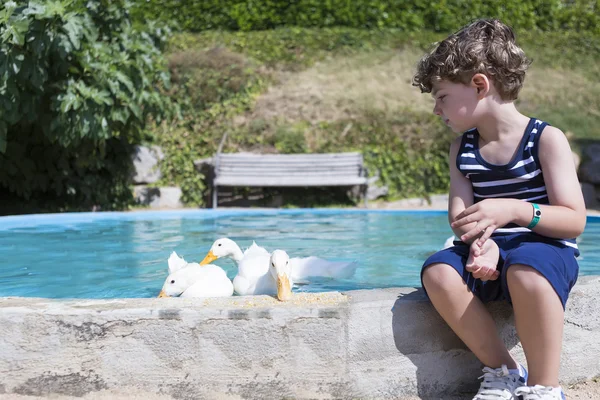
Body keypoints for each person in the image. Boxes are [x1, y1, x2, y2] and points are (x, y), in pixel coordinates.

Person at [412, 19, 586, 400]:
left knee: (527, 271)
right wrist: (480, 244)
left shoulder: (545, 139)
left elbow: (574, 220)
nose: (436, 109)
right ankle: (505, 371)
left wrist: (515, 210)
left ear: (479, 85)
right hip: (488, 249)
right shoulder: (463, 148)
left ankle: (544, 386)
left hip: (544, 249)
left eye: (441, 96)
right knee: (438, 271)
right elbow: (462, 220)